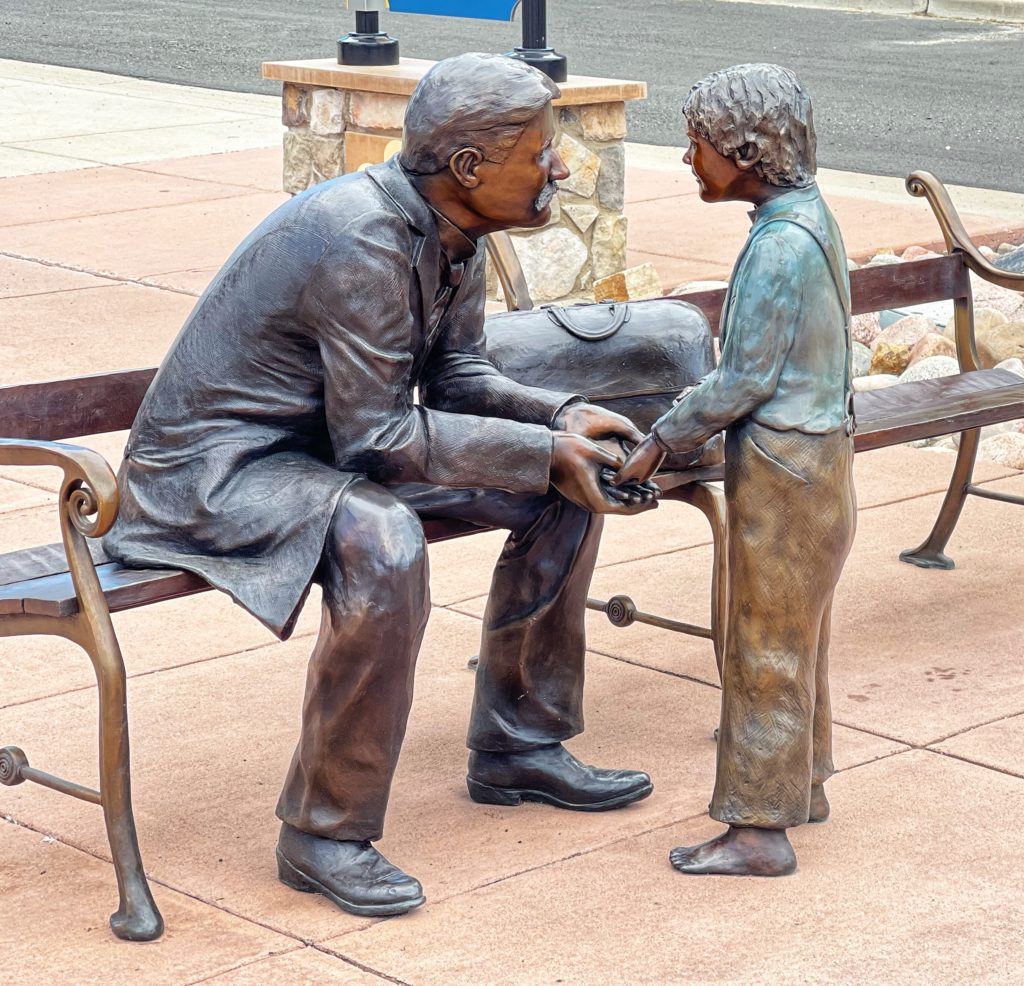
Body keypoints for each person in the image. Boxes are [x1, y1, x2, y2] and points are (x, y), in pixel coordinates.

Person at [105, 53, 656, 917]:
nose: (561, 167)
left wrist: (561, 419)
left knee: (559, 490)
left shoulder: (454, 227)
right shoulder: (360, 236)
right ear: (471, 168)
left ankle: (519, 744)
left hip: (319, 450)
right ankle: (323, 832)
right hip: (214, 473)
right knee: (382, 538)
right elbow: (379, 437)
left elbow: (460, 376)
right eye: (544, 151)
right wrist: (540, 448)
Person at [615, 63, 856, 876]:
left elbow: (742, 379)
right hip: (819, 464)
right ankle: (803, 786)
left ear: (746, 150)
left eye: (698, 146)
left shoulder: (778, 245)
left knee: (762, 648)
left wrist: (660, 440)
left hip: (785, 470)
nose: (689, 162)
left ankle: (758, 829)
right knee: (799, 636)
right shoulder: (809, 217)